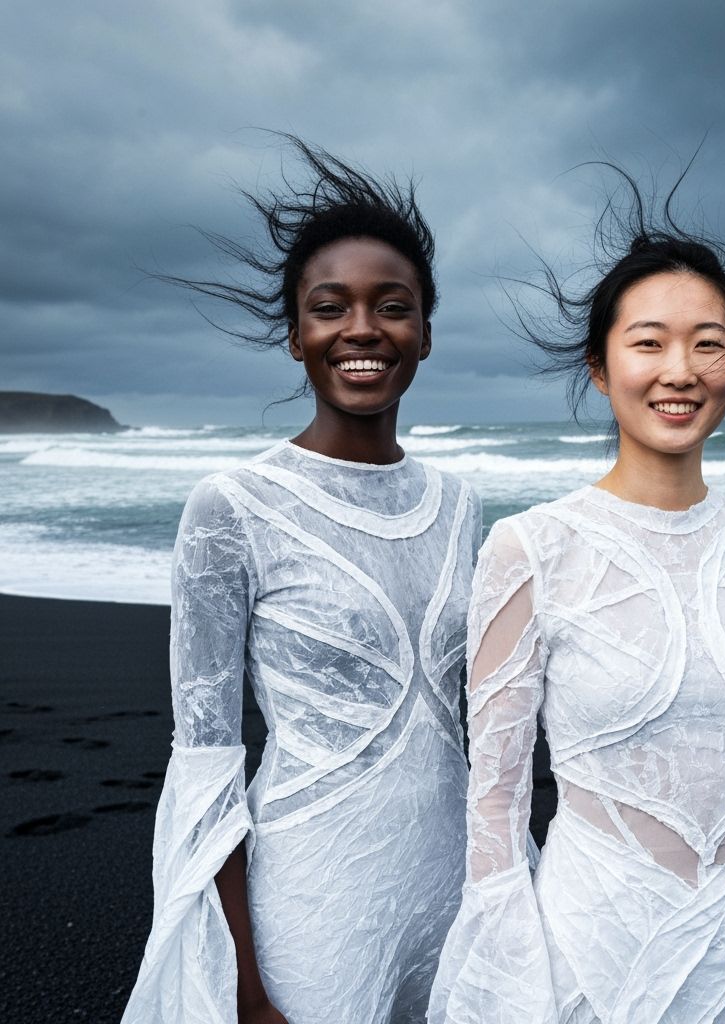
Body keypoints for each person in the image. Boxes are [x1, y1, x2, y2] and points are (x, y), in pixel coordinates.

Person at [429, 170, 725, 1024]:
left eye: (709, 343)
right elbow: (493, 803)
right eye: (649, 343)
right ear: (601, 368)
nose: (680, 370)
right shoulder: (531, 548)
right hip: (592, 958)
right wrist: (517, 990)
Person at [122, 138, 481, 1024]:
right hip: (315, 915)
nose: (362, 329)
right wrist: (245, 987)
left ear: (425, 333)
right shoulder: (233, 506)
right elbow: (205, 757)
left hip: (457, 898)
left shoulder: (462, 503)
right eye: (332, 308)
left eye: (391, 307)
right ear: (297, 335)